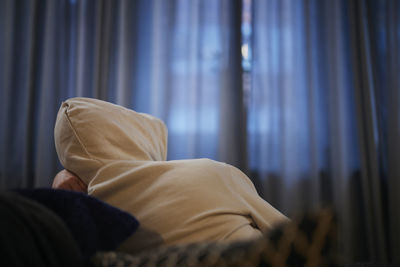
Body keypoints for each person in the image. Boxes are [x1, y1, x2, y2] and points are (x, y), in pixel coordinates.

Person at [52, 97, 289, 254]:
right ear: (137, 138)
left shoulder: (89, 215)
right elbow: (287, 234)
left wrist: (59, 192)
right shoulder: (211, 173)